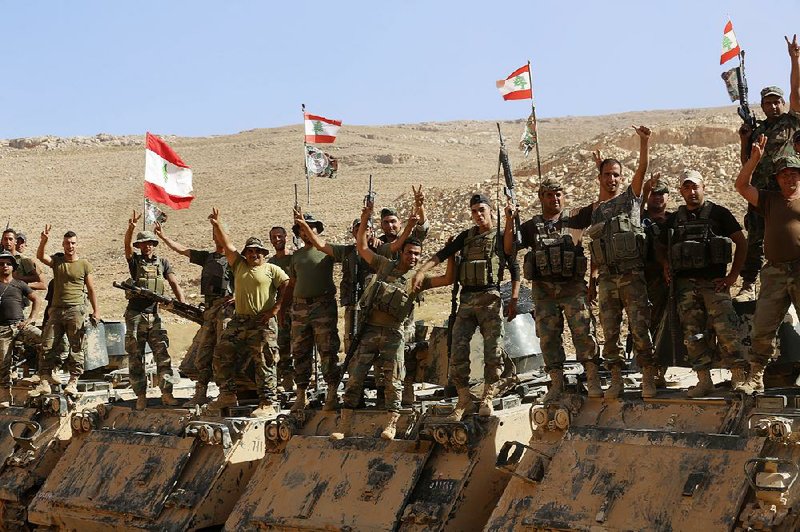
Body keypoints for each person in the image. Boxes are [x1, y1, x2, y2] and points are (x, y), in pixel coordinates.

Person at [328, 202, 453, 440]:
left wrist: (449, 253)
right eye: (409, 253)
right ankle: (344, 425)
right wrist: (365, 218)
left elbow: (448, 279)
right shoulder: (385, 265)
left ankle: (391, 424)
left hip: (394, 334)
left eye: (417, 254)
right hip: (370, 331)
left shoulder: (419, 279)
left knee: (393, 381)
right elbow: (363, 247)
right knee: (355, 377)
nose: (413, 257)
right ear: (402, 252)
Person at [412, 193, 519, 420]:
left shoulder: (500, 236)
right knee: (457, 352)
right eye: (474, 211)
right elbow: (443, 255)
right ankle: (464, 399)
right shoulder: (467, 237)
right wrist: (422, 271)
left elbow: (512, 258)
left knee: (493, 352)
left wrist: (510, 220)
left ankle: (488, 396)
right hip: (467, 301)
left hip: (490, 299)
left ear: (491, 210)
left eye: (482, 210)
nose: (478, 215)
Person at [300, 208, 418, 404]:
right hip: (354, 308)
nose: (363, 231)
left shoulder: (380, 251)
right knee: (354, 351)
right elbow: (321, 245)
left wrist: (411, 225)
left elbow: (398, 244)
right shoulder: (346, 251)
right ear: (354, 232)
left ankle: (384, 393)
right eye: (358, 228)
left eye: (366, 228)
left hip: (377, 310)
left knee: (384, 353)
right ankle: (355, 395)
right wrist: (304, 226)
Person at [505, 178, 602, 402]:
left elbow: (600, 205)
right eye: (549, 194)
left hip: (573, 288)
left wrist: (600, 175)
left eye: (558, 194)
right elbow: (509, 247)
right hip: (544, 292)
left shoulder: (576, 218)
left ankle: (593, 378)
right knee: (548, 338)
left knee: (584, 333)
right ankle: (556, 384)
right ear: (541, 197)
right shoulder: (531, 226)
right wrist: (510, 220)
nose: (555, 198)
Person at [582, 125, 656, 399]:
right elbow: (595, 249)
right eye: (606, 175)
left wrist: (644, 142)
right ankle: (616, 378)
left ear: (621, 177)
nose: (611, 179)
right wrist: (592, 281)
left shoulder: (630, 200)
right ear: (600, 177)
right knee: (609, 332)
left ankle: (647, 374)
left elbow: (642, 171)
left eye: (615, 175)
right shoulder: (597, 210)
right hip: (606, 280)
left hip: (631, 277)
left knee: (639, 327)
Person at [662, 170, 749, 397]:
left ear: (704, 186)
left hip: (714, 284)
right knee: (693, 334)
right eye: (686, 188)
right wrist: (665, 265)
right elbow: (660, 247)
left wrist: (733, 276)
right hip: (685, 287)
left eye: (695, 187)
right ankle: (703, 380)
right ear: (681, 190)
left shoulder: (719, 214)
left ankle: (739, 376)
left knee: (727, 329)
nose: (691, 192)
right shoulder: (674, 219)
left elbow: (741, 242)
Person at [206, 209, 289, 417]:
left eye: (258, 251)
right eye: (250, 251)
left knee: (265, 359)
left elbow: (287, 284)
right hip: (240, 320)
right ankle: (227, 394)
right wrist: (217, 224)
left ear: (263, 253)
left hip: (262, 322)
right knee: (222, 352)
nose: (254, 254)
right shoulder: (239, 265)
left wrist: (276, 308)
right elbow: (227, 245)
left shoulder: (272, 269)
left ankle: (267, 402)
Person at [736, 35, 800, 301]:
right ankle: (749, 284)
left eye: (777, 101)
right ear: (761, 106)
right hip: (762, 195)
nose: (773, 106)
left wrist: (794, 59)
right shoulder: (757, 129)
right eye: (767, 103)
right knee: (756, 238)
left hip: (786, 191)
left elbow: (796, 91)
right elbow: (746, 163)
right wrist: (744, 140)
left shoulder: (791, 122)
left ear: (783, 103)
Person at [735, 135, 800, 393]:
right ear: (776, 178)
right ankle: (755, 377)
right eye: (784, 174)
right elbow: (741, 186)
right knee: (763, 326)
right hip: (774, 272)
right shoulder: (770, 199)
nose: (789, 178)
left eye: (794, 173)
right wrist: (753, 160)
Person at [154, 221, 233, 407]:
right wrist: (164, 237)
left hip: (226, 311)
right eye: (215, 233)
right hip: (209, 310)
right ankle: (201, 392)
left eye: (220, 233)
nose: (218, 237)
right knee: (203, 354)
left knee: (223, 354)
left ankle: (226, 393)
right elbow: (183, 250)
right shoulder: (207, 257)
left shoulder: (234, 259)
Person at [123, 212, 183, 410]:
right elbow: (126, 249)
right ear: (139, 246)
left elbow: (173, 281)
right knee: (135, 357)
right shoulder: (135, 263)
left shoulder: (162, 263)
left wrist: (181, 302)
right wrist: (131, 228)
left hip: (154, 315)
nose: (147, 246)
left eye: (150, 243)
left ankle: (167, 393)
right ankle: (141, 395)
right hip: (135, 316)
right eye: (143, 243)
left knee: (163, 355)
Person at [32, 227, 100, 397]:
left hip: (75, 310)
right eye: (67, 243)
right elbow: (40, 256)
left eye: (73, 243)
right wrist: (44, 241)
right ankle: (45, 381)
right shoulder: (58, 261)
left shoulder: (84, 265)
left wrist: (96, 310)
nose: (70, 246)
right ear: (63, 245)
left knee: (76, 347)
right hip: (56, 310)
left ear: (77, 245)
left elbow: (91, 289)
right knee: (47, 345)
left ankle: (73, 382)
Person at [283, 211, 341, 411]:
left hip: (322, 305)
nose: (306, 232)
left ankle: (332, 392)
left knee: (327, 349)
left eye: (310, 227)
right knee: (300, 351)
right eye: (302, 229)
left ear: (317, 229)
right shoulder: (297, 256)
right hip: (300, 307)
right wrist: (285, 308)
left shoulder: (327, 250)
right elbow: (293, 283)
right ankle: (301, 395)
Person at [641, 175, 672, 386]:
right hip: (647, 281)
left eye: (662, 193)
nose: (658, 197)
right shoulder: (640, 218)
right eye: (654, 193)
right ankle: (651, 371)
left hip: (673, 280)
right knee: (649, 325)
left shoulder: (675, 219)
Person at [0, 252, 42, 407]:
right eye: (1, 263)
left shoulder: (19, 284)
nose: (4, 266)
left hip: (19, 325)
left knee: (45, 340)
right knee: (3, 363)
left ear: (13, 267)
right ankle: (4, 396)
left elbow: (36, 299)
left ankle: (42, 375)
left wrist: (31, 319)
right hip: (2, 329)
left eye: (8, 263)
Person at [267, 226, 294, 390]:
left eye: (279, 236)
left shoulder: (294, 258)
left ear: (286, 237)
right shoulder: (271, 263)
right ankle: (287, 378)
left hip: (298, 306)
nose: (277, 240)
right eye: (273, 237)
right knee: (283, 345)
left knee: (300, 345)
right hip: (281, 308)